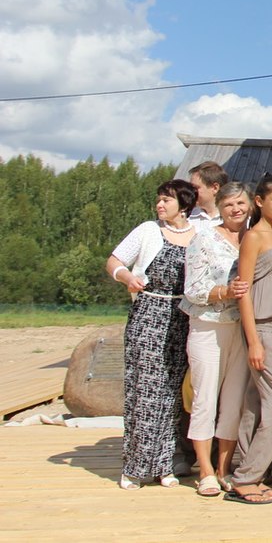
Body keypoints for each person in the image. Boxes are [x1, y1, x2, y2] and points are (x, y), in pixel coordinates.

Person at [107, 179, 200, 490]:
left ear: (184, 205)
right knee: (145, 390)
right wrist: (126, 277)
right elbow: (114, 261)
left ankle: (164, 464)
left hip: (184, 317)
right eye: (159, 199)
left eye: (167, 200)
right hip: (150, 313)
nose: (160, 205)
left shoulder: (200, 234)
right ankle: (134, 467)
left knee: (173, 393)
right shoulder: (148, 230)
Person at [226, 175, 272, 505]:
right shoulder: (253, 237)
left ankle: (251, 472)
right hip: (262, 327)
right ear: (259, 201)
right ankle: (246, 477)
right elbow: (243, 291)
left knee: (257, 403)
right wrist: (253, 340)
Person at [181, 181, 252, 496]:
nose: (236, 209)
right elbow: (193, 289)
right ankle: (205, 469)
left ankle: (225, 467)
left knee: (234, 399)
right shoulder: (205, 239)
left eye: (240, 203)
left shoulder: (252, 237)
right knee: (205, 397)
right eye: (229, 205)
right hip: (209, 325)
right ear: (220, 208)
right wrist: (224, 291)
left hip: (242, 327)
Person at [188, 161, 229, 225]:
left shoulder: (232, 218)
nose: (191, 191)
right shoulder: (187, 217)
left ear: (215, 188)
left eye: (195, 187)